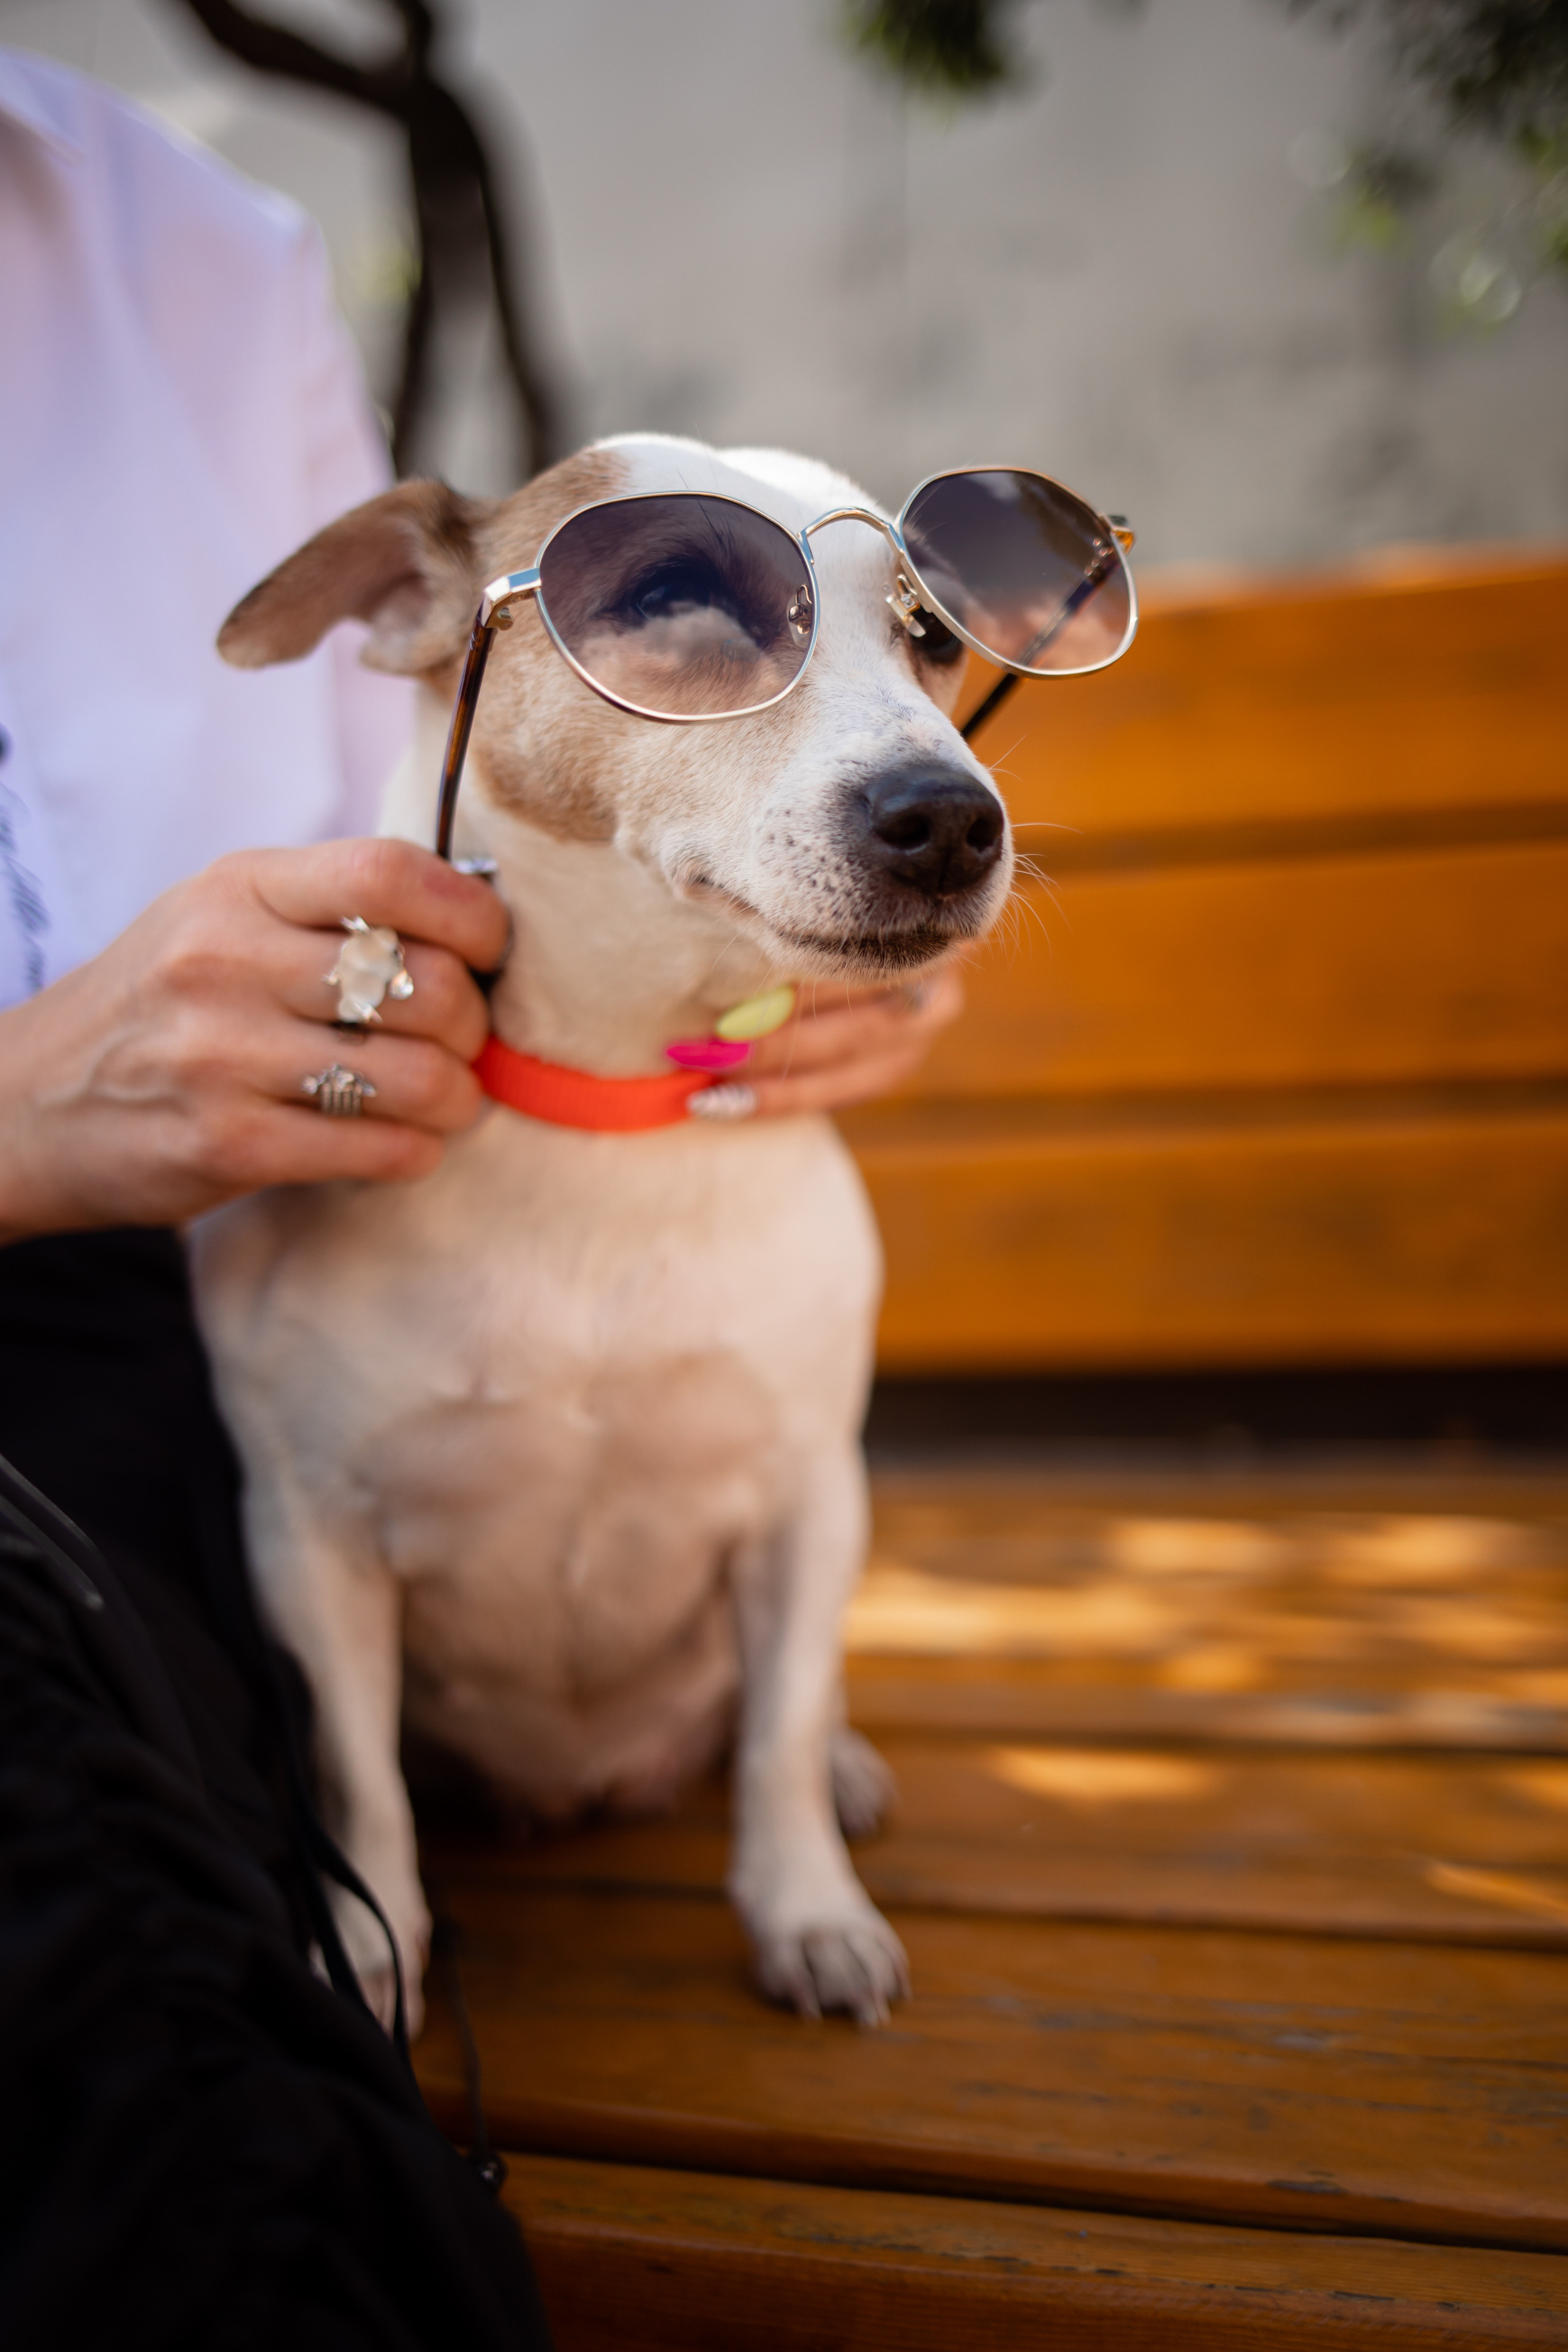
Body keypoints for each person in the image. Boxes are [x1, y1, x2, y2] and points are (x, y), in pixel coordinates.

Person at [0, 48, 960, 2348]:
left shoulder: (189, 250)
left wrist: (788, 926)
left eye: (907, 630)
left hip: (222, 1309)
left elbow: (450, 792)